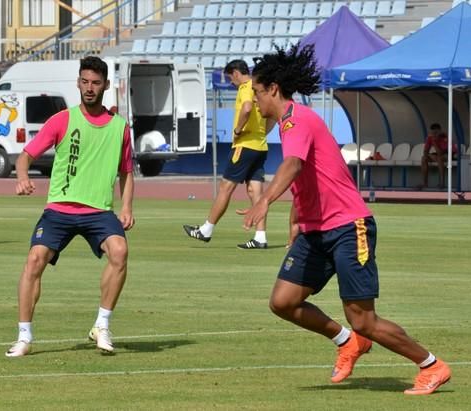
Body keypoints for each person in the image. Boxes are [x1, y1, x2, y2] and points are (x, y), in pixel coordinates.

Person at [238, 44, 451, 395]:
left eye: (257, 93)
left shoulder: (297, 119)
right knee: (283, 301)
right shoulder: (287, 125)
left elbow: (291, 167)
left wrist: (265, 202)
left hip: (349, 227)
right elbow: (307, 178)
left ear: (273, 89)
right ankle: (347, 342)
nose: (255, 101)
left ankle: (431, 365)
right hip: (316, 230)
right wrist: (297, 221)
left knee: (364, 319)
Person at [5, 56, 134, 357]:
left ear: (106, 86)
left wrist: (126, 207)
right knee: (35, 260)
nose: (89, 88)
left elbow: (126, 172)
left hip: (99, 211)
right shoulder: (62, 119)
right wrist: (22, 177)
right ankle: (24, 336)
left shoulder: (120, 128)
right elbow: (24, 156)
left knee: (120, 251)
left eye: (96, 83)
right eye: (85, 82)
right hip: (59, 210)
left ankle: (101, 325)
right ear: (78, 82)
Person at [183, 59, 271, 249]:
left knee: (225, 187)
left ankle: (206, 229)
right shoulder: (259, 89)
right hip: (260, 146)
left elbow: (246, 108)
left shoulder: (247, 87)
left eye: (231, 77)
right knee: (255, 191)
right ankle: (261, 236)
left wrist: (238, 130)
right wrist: (263, 133)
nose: (231, 82)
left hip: (245, 145)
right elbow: (270, 116)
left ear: (237, 73)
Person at [418, 123, 457, 189]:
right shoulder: (430, 137)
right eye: (433, 133)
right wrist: (429, 155)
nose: (434, 134)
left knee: (439, 158)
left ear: (440, 131)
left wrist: (434, 142)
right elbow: (425, 151)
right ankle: (425, 183)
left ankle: (442, 183)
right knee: (424, 158)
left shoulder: (444, 137)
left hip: (450, 153)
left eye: (436, 132)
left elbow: (441, 153)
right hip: (438, 154)